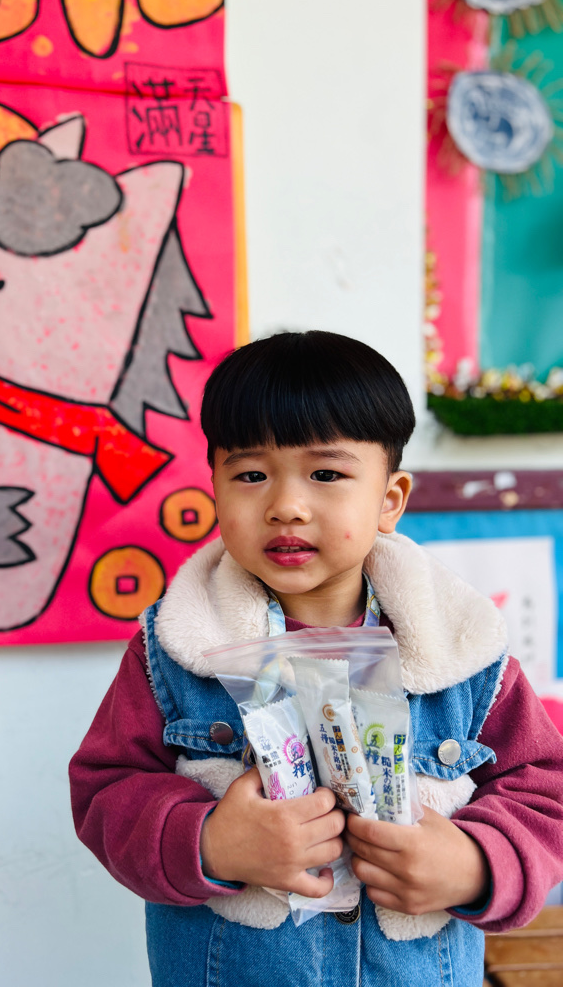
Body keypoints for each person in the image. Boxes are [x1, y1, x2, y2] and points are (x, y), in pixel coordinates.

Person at [69, 331, 563, 987]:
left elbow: (545, 788)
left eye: (326, 474)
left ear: (389, 500)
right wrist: (210, 840)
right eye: (250, 475)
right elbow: (106, 790)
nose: (285, 506)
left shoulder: (463, 649)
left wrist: (476, 864)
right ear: (214, 489)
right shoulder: (175, 649)